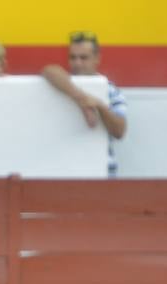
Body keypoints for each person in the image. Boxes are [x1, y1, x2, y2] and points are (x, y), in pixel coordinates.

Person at [42, 31, 128, 177]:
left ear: (97, 59)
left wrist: (100, 106)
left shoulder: (111, 90)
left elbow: (119, 131)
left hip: (102, 172)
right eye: (73, 57)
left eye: (84, 58)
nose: (77, 63)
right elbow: (48, 70)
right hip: (67, 171)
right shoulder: (64, 83)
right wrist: (83, 101)